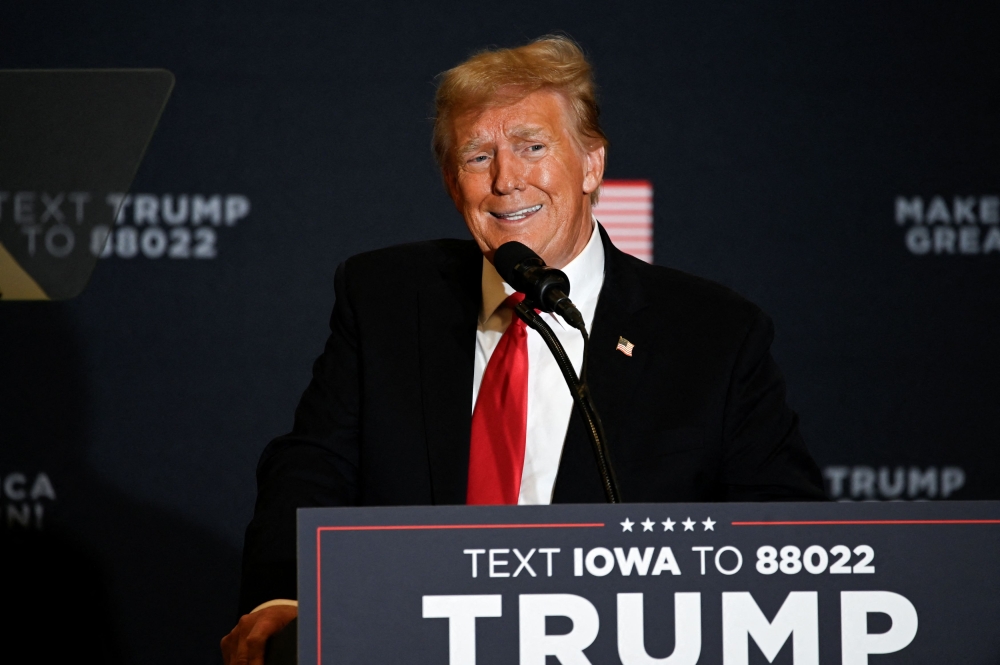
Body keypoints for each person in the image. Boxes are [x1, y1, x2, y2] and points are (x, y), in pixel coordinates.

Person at [221, 35, 826, 664]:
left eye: (532, 147)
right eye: (477, 156)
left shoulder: (713, 334)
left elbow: (783, 539)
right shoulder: (386, 299)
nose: (507, 180)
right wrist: (284, 599)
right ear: (453, 183)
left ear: (592, 165)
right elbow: (311, 468)